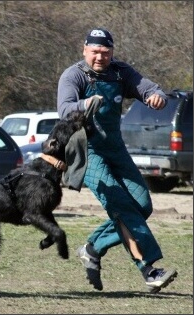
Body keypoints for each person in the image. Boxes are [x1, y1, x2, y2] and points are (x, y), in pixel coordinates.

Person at [57, 28, 177, 293]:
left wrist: (155, 96)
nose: (100, 57)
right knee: (122, 206)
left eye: (105, 52)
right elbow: (64, 109)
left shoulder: (121, 72)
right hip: (87, 151)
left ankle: (93, 248)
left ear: (112, 52)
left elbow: (149, 89)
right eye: (95, 51)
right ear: (84, 49)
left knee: (142, 205)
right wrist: (86, 103)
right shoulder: (73, 75)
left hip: (115, 148)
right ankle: (149, 270)